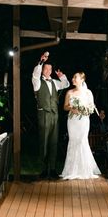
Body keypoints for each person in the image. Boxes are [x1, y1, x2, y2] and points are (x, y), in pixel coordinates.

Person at [31, 51, 69, 179]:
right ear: (42, 70)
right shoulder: (37, 82)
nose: (48, 71)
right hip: (44, 114)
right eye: (46, 69)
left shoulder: (54, 82)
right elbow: (35, 74)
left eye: (50, 69)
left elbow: (66, 84)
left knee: (54, 142)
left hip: (55, 115)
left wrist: (62, 76)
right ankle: (43, 170)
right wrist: (41, 62)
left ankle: (52, 169)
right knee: (44, 142)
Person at [60, 72, 102, 180]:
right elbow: (65, 106)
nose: (73, 79)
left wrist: (84, 110)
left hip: (83, 121)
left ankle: (84, 169)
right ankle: (71, 170)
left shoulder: (88, 93)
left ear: (82, 79)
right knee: (73, 141)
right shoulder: (69, 92)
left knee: (82, 141)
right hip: (72, 121)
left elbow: (91, 107)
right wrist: (72, 108)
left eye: (75, 77)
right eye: (73, 77)